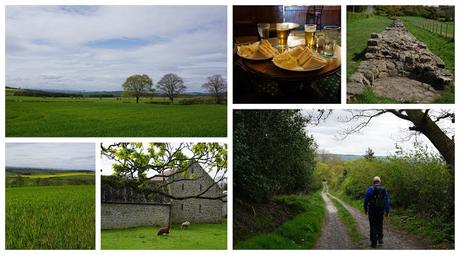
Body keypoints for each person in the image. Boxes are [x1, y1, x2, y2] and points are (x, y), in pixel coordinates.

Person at [364, 176, 390, 248]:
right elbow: (387, 201)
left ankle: (374, 242)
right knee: (380, 224)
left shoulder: (370, 189)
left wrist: (365, 209)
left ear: (373, 182)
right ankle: (380, 239)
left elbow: (366, 200)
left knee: (373, 226)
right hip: (381, 211)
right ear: (380, 182)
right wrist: (387, 211)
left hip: (372, 211)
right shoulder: (384, 189)